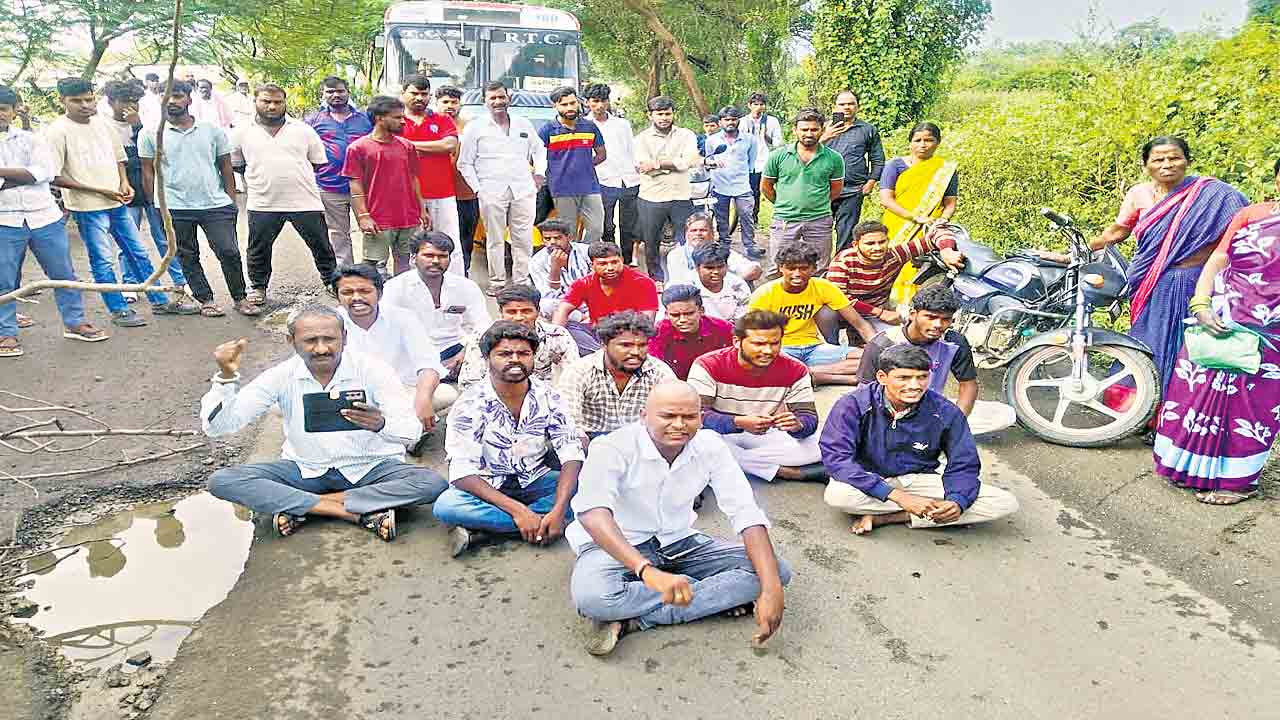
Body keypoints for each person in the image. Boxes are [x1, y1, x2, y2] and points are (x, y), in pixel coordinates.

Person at [568, 381, 790, 656]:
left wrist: (771, 590)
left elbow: (746, 511)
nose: (679, 424)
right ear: (643, 415)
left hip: (679, 540)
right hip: (617, 545)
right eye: (668, 416)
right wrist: (647, 572)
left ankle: (637, 619)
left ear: (700, 417)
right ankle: (711, 596)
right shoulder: (612, 447)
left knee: (777, 572)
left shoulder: (711, 446)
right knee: (595, 598)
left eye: (689, 416)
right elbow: (593, 514)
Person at [203, 305, 448, 542]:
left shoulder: (373, 370)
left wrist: (381, 424)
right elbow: (220, 427)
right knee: (222, 481)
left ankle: (302, 505)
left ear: (344, 337)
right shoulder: (281, 375)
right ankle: (349, 511)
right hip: (305, 469)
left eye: (329, 339)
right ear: (291, 342)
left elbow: (413, 431)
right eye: (310, 341)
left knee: (432, 484)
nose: (321, 349)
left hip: (371, 468)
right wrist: (226, 378)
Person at [1152, 158, 1280, 505]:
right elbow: (1219, 259)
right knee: (1194, 393)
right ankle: (1187, 469)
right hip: (1222, 317)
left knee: (1250, 407)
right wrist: (1201, 303)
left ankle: (1238, 483)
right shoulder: (1253, 215)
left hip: (1271, 332)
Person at [1091, 136, 1248, 401]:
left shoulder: (1215, 194)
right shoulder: (1138, 194)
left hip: (1196, 281)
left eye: (1174, 158)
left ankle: (1179, 417)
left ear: (1188, 161)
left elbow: (1242, 229)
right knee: (1148, 343)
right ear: (1146, 165)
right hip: (1153, 283)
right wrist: (1080, 249)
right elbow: (1119, 231)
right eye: (1158, 159)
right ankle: (1142, 410)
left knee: (1189, 349)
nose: (1167, 165)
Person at [820, 344, 1019, 535]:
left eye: (922, 377)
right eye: (904, 378)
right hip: (871, 477)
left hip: (916, 478)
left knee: (1002, 502)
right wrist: (897, 496)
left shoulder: (944, 411)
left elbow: (964, 463)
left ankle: (886, 518)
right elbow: (837, 459)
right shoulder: (853, 404)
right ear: (882, 377)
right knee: (838, 496)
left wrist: (957, 501)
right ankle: (918, 508)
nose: (914, 386)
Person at [46, 77, 190, 327]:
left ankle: (158, 300)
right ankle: (119, 309)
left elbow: (119, 159)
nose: (84, 105)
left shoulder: (103, 125)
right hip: (87, 207)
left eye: (88, 99)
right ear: (62, 101)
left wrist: (124, 183)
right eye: (76, 101)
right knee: (102, 260)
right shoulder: (56, 131)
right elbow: (56, 176)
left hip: (117, 202)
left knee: (138, 252)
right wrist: (100, 190)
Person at [435, 321, 585, 557]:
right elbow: (462, 472)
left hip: (536, 477)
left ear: (533, 357)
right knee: (446, 506)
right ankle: (540, 525)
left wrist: (558, 508)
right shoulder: (470, 403)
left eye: (523, 353)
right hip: (489, 483)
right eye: (504, 353)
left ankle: (488, 531)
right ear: (487, 359)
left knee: (587, 489)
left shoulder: (549, 396)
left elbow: (571, 452)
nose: (515, 359)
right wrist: (518, 512)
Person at [0, 84, 109, 358]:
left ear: (13, 111)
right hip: (4, 220)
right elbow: (34, 174)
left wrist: (8, 176)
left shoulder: (32, 139)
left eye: (3, 109)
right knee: (3, 280)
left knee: (63, 274)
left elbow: (46, 171)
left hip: (44, 216)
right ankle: (6, 333)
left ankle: (75, 322)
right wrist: (27, 175)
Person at [139, 81, 258, 318]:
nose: (171, 101)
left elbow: (225, 166)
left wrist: (231, 200)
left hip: (215, 204)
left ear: (188, 100)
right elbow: (148, 171)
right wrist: (155, 205)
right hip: (174, 205)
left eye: (177, 95)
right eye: (165, 96)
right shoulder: (150, 133)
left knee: (229, 251)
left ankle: (240, 298)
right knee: (187, 254)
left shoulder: (211, 130)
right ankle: (205, 299)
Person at [856, 285, 1014, 435]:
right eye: (930, 317)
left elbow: (968, 385)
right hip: (891, 412)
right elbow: (865, 393)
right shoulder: (883, 343)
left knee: (1004, 414)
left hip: (930, 409)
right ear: (912, 314)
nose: (938, 324)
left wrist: (954, 424)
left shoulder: (954, 342)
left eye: (945, 319)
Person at [231, 83, 337, 304]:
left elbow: (317, 163)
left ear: (284, 103)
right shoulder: (241, 131)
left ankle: (331, 282)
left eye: (277, 102)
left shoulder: (303, 130)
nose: (272, 106)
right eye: (266, 101)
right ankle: (258, 288)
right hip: (263, 203)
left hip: (304, 202)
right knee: (258, 249)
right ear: (255, 102)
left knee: (322, 246)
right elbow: (238, 164)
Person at [687, 310, 822, 482]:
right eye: (759, 344)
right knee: (700, 441)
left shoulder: (796, 369)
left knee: (824, 443)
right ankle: (784, 472)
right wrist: (738, 422)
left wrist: (797, 425)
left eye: (775, 343)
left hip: (767, 434)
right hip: (722, 433)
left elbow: (809, 417)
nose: (768, 350)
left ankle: (731, 462)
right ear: (737, 341)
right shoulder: (707, 365)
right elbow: (697, 417)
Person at [331, 262, 452, 432]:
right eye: (347, 292)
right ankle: (405, 431)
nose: (356, 297)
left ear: (379, 293)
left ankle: (391, 428)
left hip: (400, 392)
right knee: (283, 405)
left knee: (445, 394)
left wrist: (423, 400)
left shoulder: (403, 318)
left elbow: (428, 364)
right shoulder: (328, 322)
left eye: (365, 291)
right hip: (351, 394)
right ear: (337, 296)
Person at [457, 81, 547, 293]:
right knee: (495, 239)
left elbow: (539, 150)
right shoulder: (475, 127)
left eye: (501, 97)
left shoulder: (523, 123)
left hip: (523, 189)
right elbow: (464, 163)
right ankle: (497, 283)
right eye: (493, 98)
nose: (498, 102)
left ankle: (521, 282)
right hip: (491, 191)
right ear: (485, 101)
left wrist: (540, 174)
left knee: (523, 238)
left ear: (509, 98)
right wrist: (478, 189)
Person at [748, 242, 876, 385]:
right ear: (780, 268)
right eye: (791, 268)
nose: (796, 274)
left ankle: (809, 373)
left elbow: (860, 324)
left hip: (814, 348)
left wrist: (878, 347)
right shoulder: (765, 293)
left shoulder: (823, 286)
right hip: (780, 349)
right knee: (763, 366)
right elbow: (753, 336)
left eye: (803, 268)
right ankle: (831, 377)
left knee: (871, 358)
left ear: (814, 269)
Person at [103, 82, 188, 296]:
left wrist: (137, 126)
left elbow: (153, 156)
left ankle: (181, 280)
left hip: (150, 187)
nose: (130, 106)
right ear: (111, 102)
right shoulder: (103, 127)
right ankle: (130, 284)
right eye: (125, 101)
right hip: (123, 189)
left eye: (134, 102)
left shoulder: (147, 125)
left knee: (165, 236)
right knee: (128, 238)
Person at [383, 231, 491, 382]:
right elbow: (387, 330)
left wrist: (467, 351)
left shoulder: (466, 286)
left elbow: (483, 325)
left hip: (455, 350)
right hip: (413, 355)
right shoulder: (395, 287)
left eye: (442, 256)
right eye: (429, 255)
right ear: (413, 258)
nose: (435, 261)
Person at [558, 310, 677, 444]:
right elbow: (568, 423)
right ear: (604, 345)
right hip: (590, 442)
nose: (635, 352)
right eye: (626, 345)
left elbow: (674, 414)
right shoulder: (579, 371)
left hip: (643, 443)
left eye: (642, 345)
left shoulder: (658, 371)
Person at [341, 96, 428, 275]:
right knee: (371, 267)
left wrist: (422, 210)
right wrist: (363, 216)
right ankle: (372, 300)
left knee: (406, 264)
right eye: (397, 117)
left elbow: (414, 179)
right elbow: (355, 185)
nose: (403, 121)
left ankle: (400, 299)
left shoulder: (407, 146)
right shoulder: (358, 148)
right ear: (380, 118)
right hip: (378, 218)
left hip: (408, 217)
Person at [826, 220, 963, 332]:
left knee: (896, 341)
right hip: (845, 312)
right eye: (870, 243)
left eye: (882, 242)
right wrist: (880, 312)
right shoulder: (843, 262)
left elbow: (938, 233)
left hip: (875, 314)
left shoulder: (895, 255)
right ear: (856, 245)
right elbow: (838, 298)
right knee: (827, 313)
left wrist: (947, 250)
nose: (877, 248)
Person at [879, 122, 960, 305]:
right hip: (898, 224)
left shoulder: (945, 170)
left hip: (930, 228)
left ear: (937, 143)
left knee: (920, 267)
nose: (923, 144)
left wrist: (942, 220)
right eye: (918, 140)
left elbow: (950, 203)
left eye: (929, 140)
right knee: (892, 261)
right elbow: (886, 199)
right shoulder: (895, 165)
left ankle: (914, 305)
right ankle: (888, 304)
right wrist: (914, 217)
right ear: (910, 143)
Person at [761, 108, 845, 268]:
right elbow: (766, 187)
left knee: (819, 267)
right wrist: (785, 203)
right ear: (795, 130)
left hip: (819, 220)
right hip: (785, 220)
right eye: (804, 129)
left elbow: (836, 190)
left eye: (814, 129)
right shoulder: (778, 156)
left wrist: (815, 203)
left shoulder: (834, 158)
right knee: (779, 266)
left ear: (822, 130)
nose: (809, 133)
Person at [305, 76, 374, 267]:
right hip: (329, 185)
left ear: (348, 93)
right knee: (337, 232)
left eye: (340, 91)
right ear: (323, 94)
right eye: (330, 91)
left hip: (365, 185)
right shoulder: (313, 120)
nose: (336, 95)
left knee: (370, 228)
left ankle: (372, 269)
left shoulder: (365, 118)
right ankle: (346, 272)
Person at [633, 96, 701, 282]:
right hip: (651, 197)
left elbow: (689, 161)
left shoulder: (686, 135)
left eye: (668, 113)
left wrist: (656, 164)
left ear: (673, 114)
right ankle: (657, 279)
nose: (664, 117)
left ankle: (689, 275)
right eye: (659, 114)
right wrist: (673, 164)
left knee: (687, 239)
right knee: (651, 242)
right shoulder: (641, 139)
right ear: (650, 115)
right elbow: (644, 169)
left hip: (681, 195)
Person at [458, 284, 577, 389]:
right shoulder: (482, 336)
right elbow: (469, 381)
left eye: (526, 311)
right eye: (511, 312)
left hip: (545, 399)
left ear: (538, 311)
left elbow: (573, 377)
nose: (519, 317)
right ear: (501, 313)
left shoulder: (557, 335)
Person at [399, 75, 463, 272]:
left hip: (443, 192)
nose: (419, 98)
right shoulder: (396, 121)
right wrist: (433, 147)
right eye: (414, 93)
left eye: (424, 94)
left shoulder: (442, 119)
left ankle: (455, 284)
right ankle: (413, 287)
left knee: (450, 241)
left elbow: (450, 144)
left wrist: (408, 146)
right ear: (403, 94)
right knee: (413, 245)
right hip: (406, 194)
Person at [551, 241, 659, 355]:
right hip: (598, 335)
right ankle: (604, 355)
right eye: (603, 264)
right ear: (592, 265)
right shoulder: (584, 283)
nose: (610, 268)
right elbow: (562, 309)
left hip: (630, 335)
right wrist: (554, 339)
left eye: (614, 262)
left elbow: (647, 321)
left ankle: (605, 355)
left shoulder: (643, 283)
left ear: (622, 260)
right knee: (566, 328)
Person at [582, 83, 641, 264]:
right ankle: (611, 259)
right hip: (601, 180)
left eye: (603, 101)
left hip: (628, 179)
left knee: (628, 224)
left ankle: (628, 260)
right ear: (587, 103)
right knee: (606, 225)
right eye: (595, 101)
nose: (600, 105)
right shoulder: (584, 125)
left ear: (608, 102)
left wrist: (636, 170)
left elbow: (631, 149)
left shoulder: (622, 124)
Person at [539, 87, 606, 244]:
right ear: (555, 106)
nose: (569, 108)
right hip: (562, 189)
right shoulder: (547, 130)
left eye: (572, 103)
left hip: (590, 187)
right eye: (564, 104)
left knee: (597, 228)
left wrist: (584, 166)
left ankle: (583, 256)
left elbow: (602, 154)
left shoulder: (590, 127)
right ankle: (571, 264)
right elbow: (535, 158)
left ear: (578, 102)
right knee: (568, 233)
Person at [821, 91, 885, 250]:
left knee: (846, 232)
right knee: (819, 231)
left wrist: (870, 183)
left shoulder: (868, 130)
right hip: (822, 189)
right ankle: (816, 269)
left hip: (852, 190)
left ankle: (839, 268)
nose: (846, 107)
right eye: (842, 104)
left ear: (857, 106)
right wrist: (825, 136)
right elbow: (805, 151)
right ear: (835, 107)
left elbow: (877, 159)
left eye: (851, 104)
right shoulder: (823, 127)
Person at [704, 106, 762, 259]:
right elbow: (708, 160)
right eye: (726, 120)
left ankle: (750, 245)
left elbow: (751, 162)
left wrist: (744, 175)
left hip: (742, 184)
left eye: (733, 119)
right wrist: (714, 164)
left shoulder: (749, 139)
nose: (730, 122)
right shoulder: (712, 140)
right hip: (719, 184)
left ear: (738, 121)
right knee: (721, 216)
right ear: (721, 121)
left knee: (746, 214)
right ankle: (724, 244)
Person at [434, 85, 479, 275]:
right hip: (437, 190)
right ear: (436, 103)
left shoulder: (471, 126)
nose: (450, 106)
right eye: (445, 102)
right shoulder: (431, 125)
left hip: (465, 191)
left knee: (465, 236)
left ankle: (463, 271)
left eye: (454, 102)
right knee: (437, 235)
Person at [648, 284, 733, 380]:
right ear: (666, 314)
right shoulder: (657, 334)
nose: (683, 319)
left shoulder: (724, 329)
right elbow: (654, 371)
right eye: (675, 315)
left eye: (689, 314)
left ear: (701, 311)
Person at [663, 212, 762, 287]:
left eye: (703, 230)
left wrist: (733, 283)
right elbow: (680, 284)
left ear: (712, 234)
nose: (698, 234)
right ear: (686, 234)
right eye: (694, 230)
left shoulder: (720, 251)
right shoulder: (676, 255)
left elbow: (755, 269)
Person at [528, 217, 591, 320]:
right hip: (565, 305)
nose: (552, 242)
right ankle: (584, 319)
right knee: (546, 305)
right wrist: (555, 270)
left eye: (557, 238)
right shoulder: (536, 262)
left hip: (590, 300)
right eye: (547, 239)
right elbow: (549, 295)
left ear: (569, 238)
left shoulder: (586, 252)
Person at [739, 92, 784, 226]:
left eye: (761, 104)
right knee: (752, 191)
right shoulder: (742, 122)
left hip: (767, 160)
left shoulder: (771, 121)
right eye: (755, 104)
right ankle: (751, 219)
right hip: (749, 162)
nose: (758, 107)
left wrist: (766, 137)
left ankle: (780, 216)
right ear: (749, 105)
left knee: (771, 189)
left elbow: (778, 142)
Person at [691, 245, 751, 322]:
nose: (716, 272)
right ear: (697, 268)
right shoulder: (688, 286)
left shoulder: (737, 285)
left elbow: (743, 313)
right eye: (709, 268)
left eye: (720, 267)